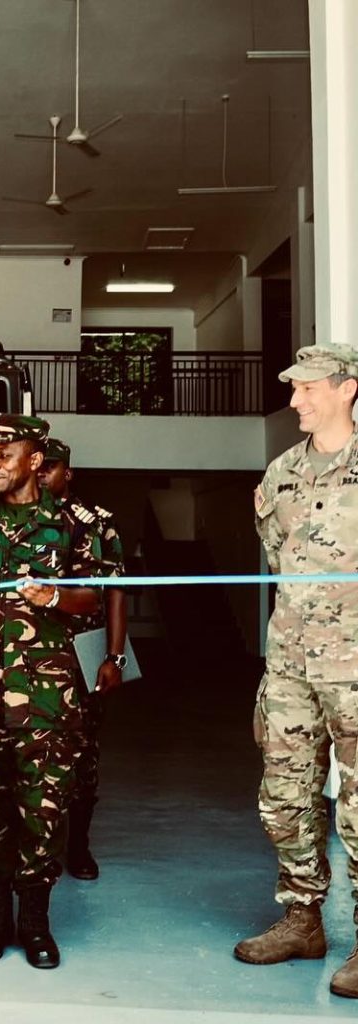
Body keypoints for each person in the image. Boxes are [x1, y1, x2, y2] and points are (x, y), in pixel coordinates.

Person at [0, 413, 105, 969]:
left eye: (5, 454)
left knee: (43, 805)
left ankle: (35, 920)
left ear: (35, 460)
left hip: (48, 693)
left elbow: (95, 596)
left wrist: (54, 597)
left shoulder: (73, 524)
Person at [234, 344, 358, 1000]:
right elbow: (279, 558)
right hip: (289, 664)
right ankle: (302, 919)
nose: (295, 400)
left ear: (346, 388)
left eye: (308, 388)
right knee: (284, 796)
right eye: (294, 387)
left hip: (356, 665)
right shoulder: (281, 472)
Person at [37, 437, 126, 880]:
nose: (41, 475)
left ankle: (78, 846)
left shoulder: (96, 523)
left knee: (82, 753)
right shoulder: (15, 518)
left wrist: (115, 657)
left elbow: (116, 593)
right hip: (30, 655)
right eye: (37, 466)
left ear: (67, 473)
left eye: (50, 468)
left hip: (80, 652)